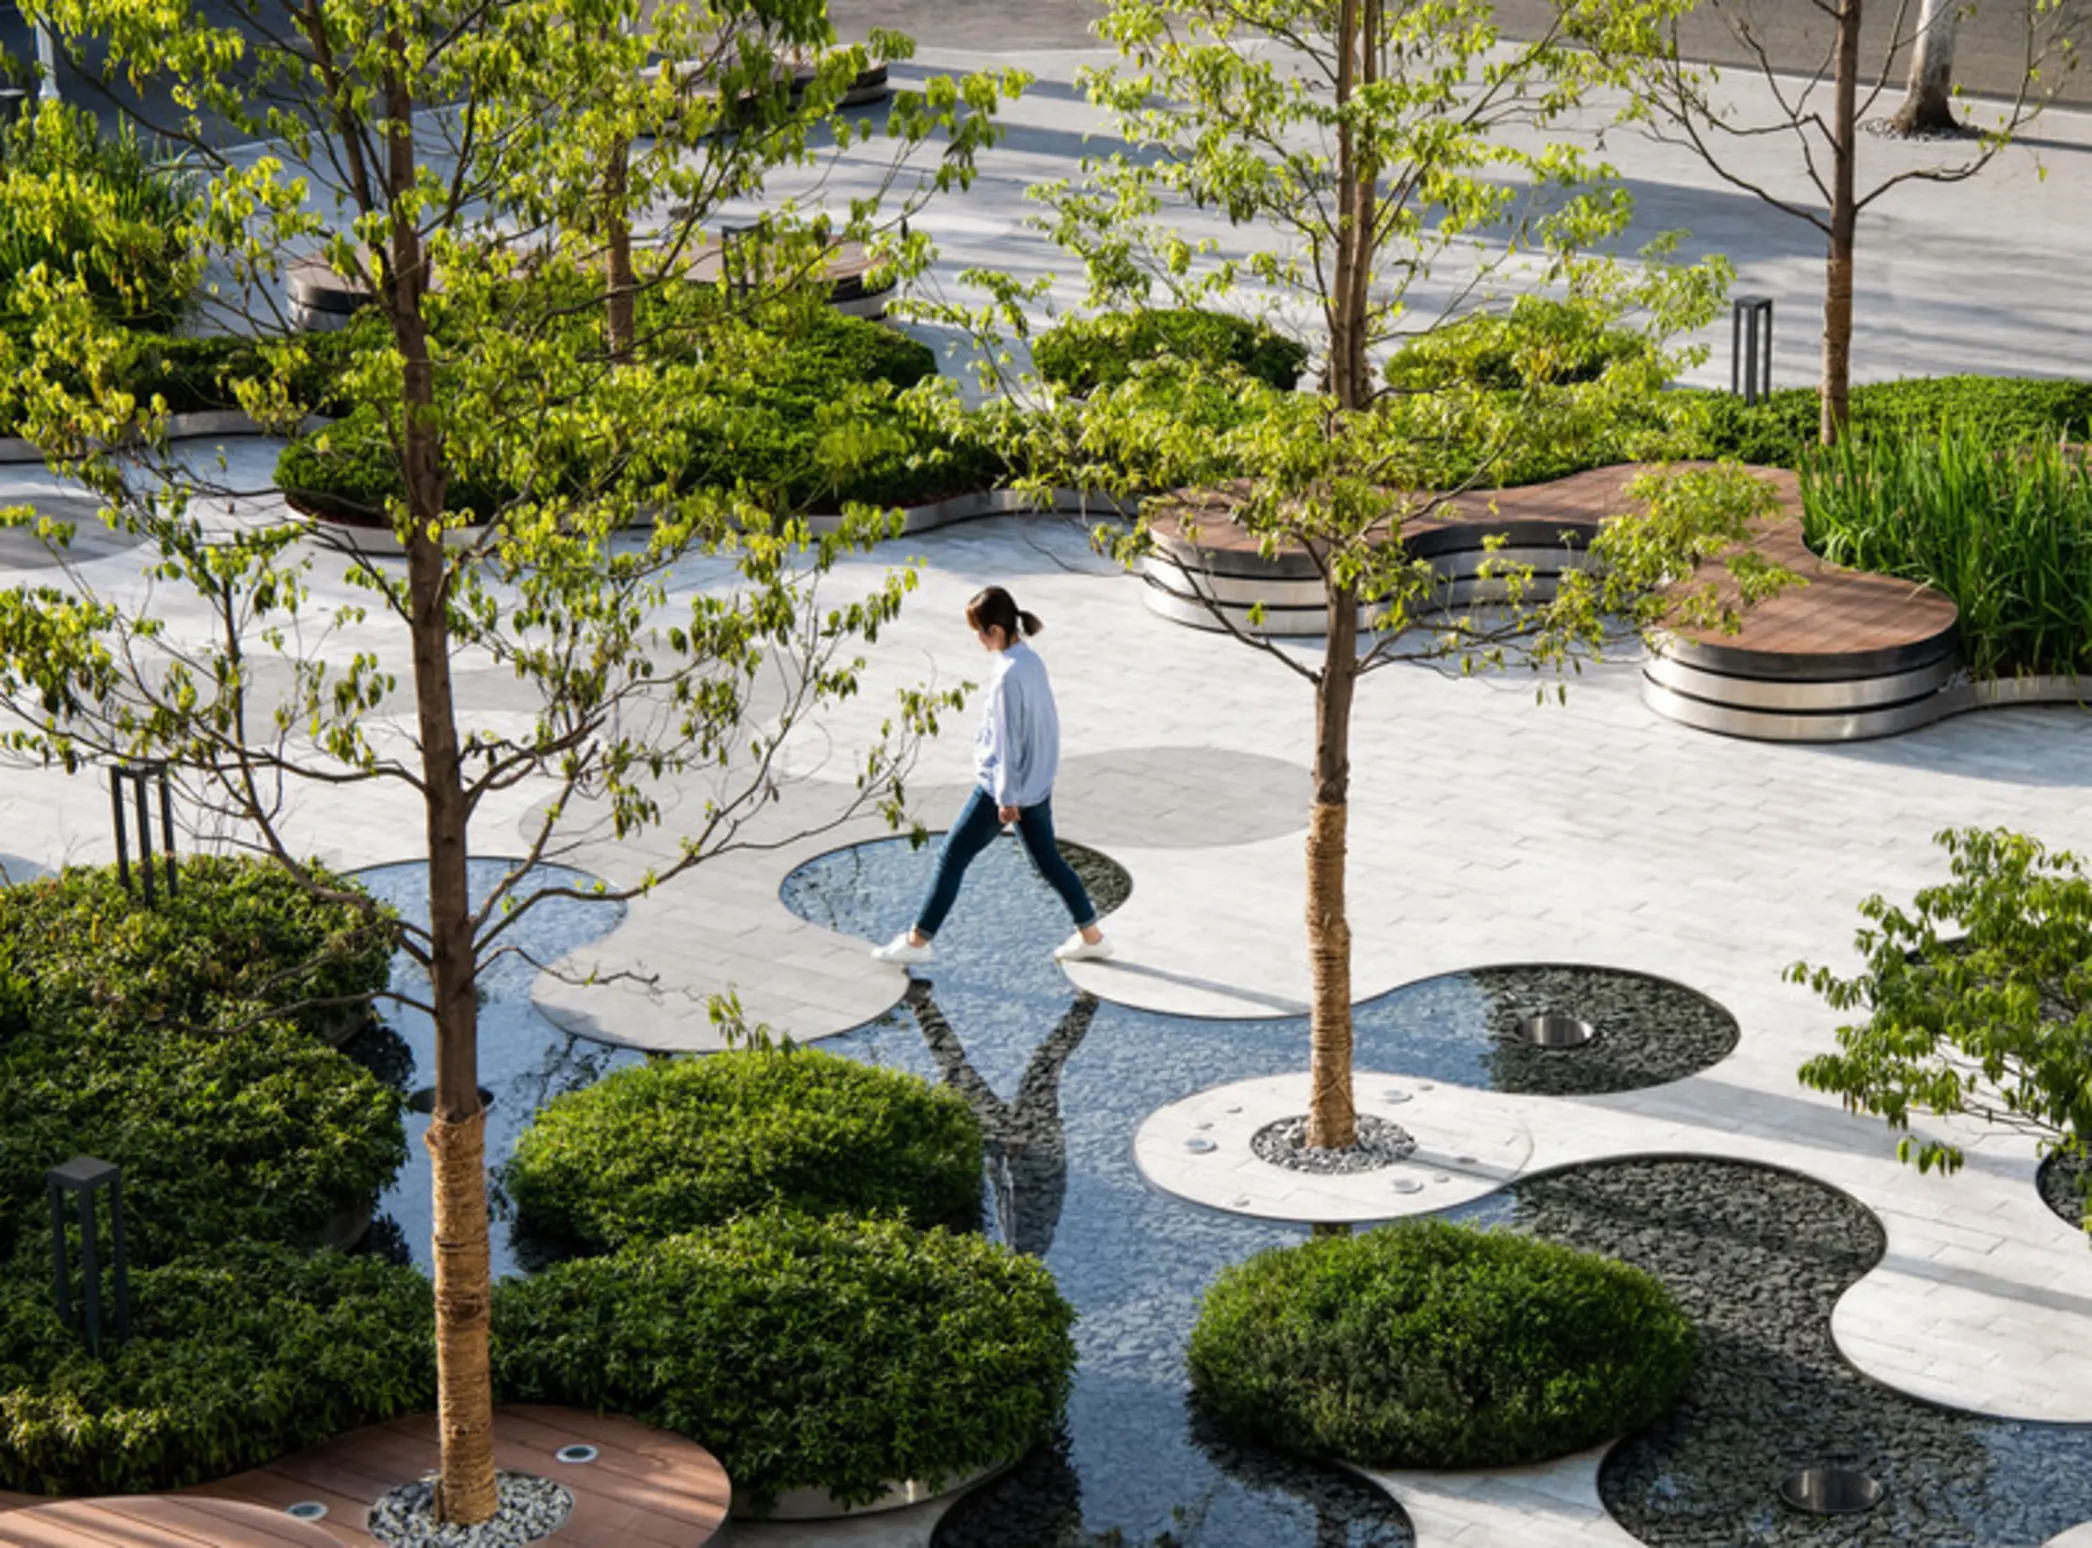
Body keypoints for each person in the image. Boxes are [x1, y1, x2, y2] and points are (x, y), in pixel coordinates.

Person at [872, 586, 1113, 966]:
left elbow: (1007, 740)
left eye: (979, 630)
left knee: (952, 857)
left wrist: (1005, 797)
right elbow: (1044, 727)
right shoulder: (1030, 662)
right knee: (1048, 861)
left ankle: (917, 942)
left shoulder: (1008, 676)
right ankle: (1092, 936)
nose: (977, 638)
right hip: (1035, 785)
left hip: (1005, 789)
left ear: (996, 630)